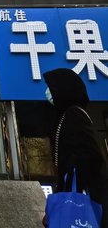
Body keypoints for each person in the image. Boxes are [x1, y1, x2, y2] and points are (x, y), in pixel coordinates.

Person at [43, 68, 108, 227]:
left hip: (83, 194)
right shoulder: (67, 115)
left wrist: (69, 190)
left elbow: (86, 156)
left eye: (52, 88)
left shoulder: (74, 114)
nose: (48, 92)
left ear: (64, 89)